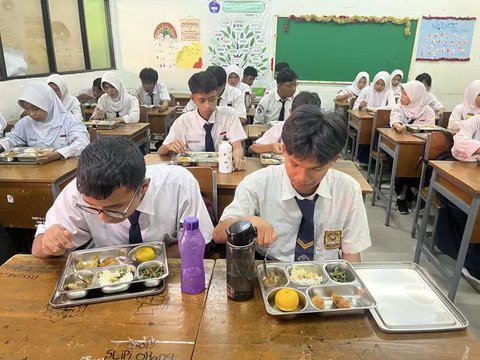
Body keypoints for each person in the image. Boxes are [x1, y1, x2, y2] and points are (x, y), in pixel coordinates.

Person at [213, 106, 371, 262]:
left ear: (333, 161)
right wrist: (247, 222)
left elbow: (352, 256)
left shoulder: (348, 190)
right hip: (271, 270)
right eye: (294, 164)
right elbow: (218, 234)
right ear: (283, 150)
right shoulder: (257, 184)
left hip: (322, 274)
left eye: (315, 168)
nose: (302, 177)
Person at [32, 137, 214, 258]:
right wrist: (49, 244)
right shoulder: (78, 192)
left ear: (143, 187)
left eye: (115, 208)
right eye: (93, 208)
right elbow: (38, 248)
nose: (102, 217)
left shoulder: (179, 184)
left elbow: (198, 242)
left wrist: (147, 261)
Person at [159, 71, 247, 171]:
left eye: (212, 99)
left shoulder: (229, 114)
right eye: (202, 100)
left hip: (223, 169)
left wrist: (238, 159)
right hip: (193, 172)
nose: (208, 105)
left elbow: (237, 146)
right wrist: (169, 146)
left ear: (217, 94)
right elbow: (161, 151)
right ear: (192, 99)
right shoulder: (184, 121)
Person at [435, 115, 480, 291]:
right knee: (468, 212)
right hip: (462, 176)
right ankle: (470, 261)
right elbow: (459, 142)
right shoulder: (475, 121)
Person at [0, 82, 89, 163]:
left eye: (36, 108)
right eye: (27, 109)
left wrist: (58, 154)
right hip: (36, 170)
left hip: (66, 168)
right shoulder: (26, 123)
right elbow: (13, 138)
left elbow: (82, 143)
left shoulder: (69, 120)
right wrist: (2, 144)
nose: (31, 113)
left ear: (48, 104)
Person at [390, 80, 435, 214]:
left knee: (427, 164)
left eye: (405, 94)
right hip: (403, 146)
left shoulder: (428, 111)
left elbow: (430, 129)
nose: (401, 96)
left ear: (416, 95)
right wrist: (398, 126)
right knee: (404, 160)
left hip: (421, 146)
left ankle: (418, 193)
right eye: (402, 93)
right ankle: (401, 196)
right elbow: (395, 120)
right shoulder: (399, 107)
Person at [249, 91, 321, 155]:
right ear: (290, 113)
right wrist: (271, 147)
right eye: (299, 118)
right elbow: (252, 148)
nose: (303, 123)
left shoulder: (324, 131)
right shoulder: (280, 128)